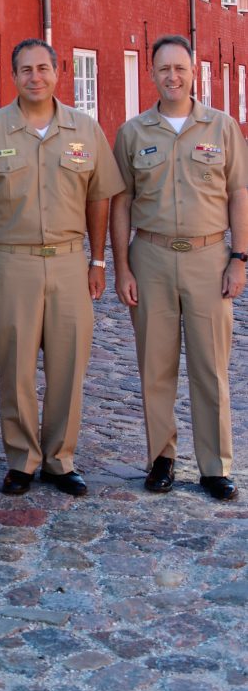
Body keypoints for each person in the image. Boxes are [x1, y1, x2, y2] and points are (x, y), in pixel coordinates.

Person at [0, 39, 124, 497]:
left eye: (43, 68)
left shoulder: (85, 129)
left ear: (57, 72)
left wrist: (98, 259)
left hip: (68, 262)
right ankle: (21, 460)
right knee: (16, 367)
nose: (35, 77)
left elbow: (99, 196)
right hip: (11, 265)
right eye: (25, 69)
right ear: (13, 76)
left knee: (69, 367)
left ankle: (61, 460)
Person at [111, 34, 248, 501]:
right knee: (156, 365)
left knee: (211, 366)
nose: (172, 76)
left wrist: (239, 257)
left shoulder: (222, 127)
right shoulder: (133, 132)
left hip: (210, 258)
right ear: (152, 74)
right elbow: (122, 201)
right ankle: (162, 458)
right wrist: (122, 267)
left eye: (181, 68)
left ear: (194, 74)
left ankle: (215, 465)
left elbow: (239, 194)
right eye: (164, 68)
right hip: (150, 256)